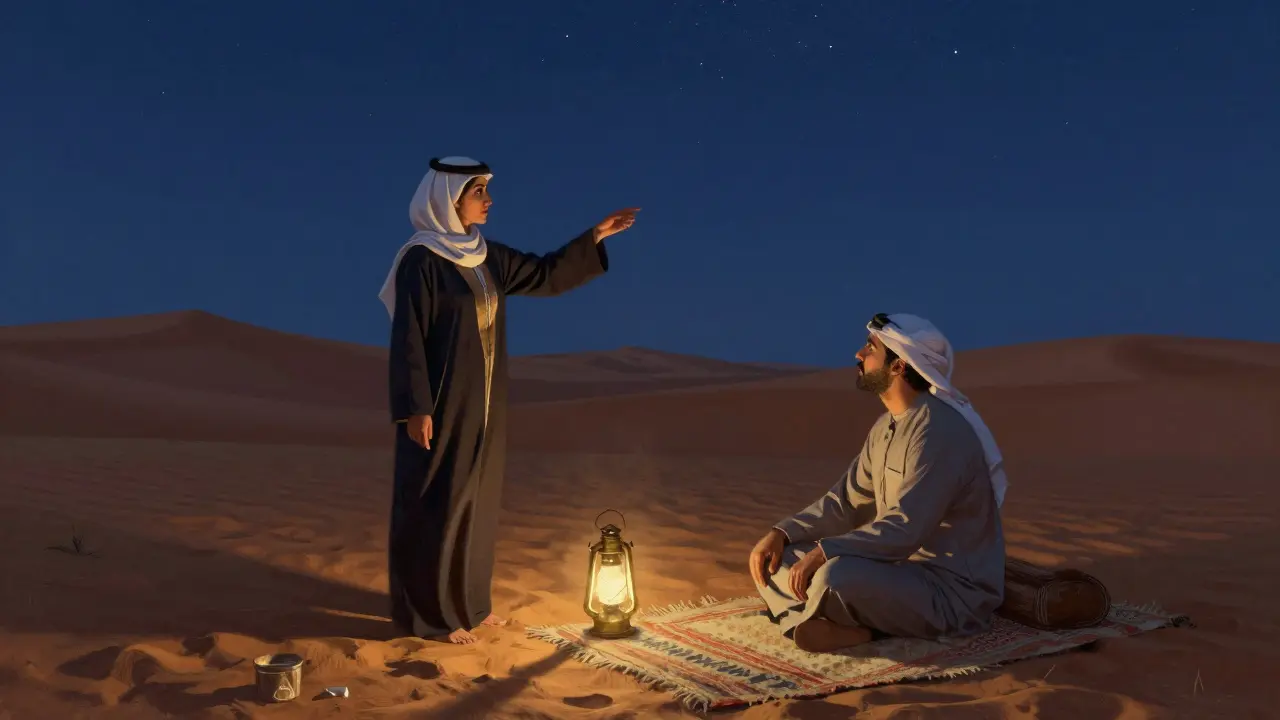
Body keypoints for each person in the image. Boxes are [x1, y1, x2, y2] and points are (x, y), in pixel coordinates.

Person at [378, 156, 639, 644]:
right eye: (480, 194)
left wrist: (595, 237)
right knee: (439, 501)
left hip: (486, 399)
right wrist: (416, 406)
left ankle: (471, 605)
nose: (489, 202)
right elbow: (408, 337)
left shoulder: (484, 255)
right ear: (450, 201)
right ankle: (432, 614)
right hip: (439, 402)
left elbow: (543, 274)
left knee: (478, 498)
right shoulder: (423, 260)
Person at [748, 313, 1009, 653]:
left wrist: (825, 552)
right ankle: (820, 623)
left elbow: (904, 529)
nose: (859, 355)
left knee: (833, 576)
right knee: (777, 559)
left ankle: (847, 629)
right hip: (895, 573)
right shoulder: (886, 426)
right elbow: (845, 503)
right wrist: (781, 533)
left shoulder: (938, 432)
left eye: (870, 347)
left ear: (899, 366)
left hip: (948, 591)